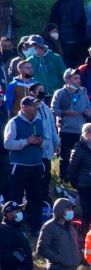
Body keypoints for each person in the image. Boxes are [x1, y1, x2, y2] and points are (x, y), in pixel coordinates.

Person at [7, 94, 57, 223]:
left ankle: (36, 226)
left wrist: (41, 142)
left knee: (36, 198)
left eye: (36, 105)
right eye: (32, 105)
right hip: (18, 166)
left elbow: (47, 142)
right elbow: (8, 144)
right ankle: (14, 226)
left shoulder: (40, 122)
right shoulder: (14, 122)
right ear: (23, 107)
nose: (36, 108)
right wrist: (26, 141)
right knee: (16, 198)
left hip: (36, 166)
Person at [67, 121, 91, 223]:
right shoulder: (79, 149)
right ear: (87, 133)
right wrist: (77, 184)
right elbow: (72, 169)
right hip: (85, 186)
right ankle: (84, 234)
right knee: (87, 213)